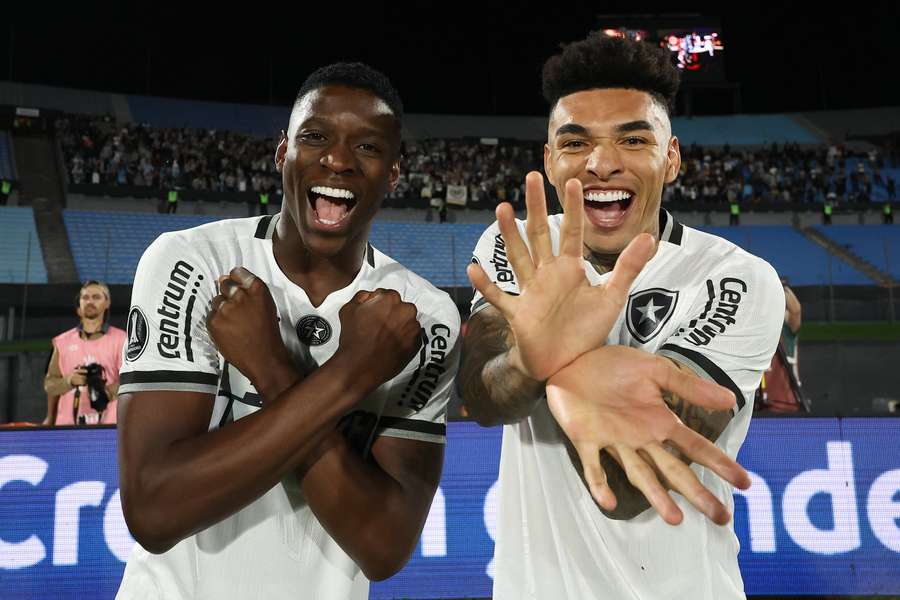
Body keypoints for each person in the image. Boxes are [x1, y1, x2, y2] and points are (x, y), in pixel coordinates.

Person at [115, 63, 460, 600]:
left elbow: (384, 546)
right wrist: (350, 375)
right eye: (315, 136)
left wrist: (273, 368)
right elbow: (154, 510)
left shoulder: (424, 315)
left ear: (394, 174)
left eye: (367, 147)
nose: (339, 160)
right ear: (283, 152)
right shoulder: (193, 263)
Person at [460, 35, 784, 599]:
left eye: (633, 139)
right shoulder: (515, 245)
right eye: (576, 143)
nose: (602, 164)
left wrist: (550, 358)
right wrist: (530, 358)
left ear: (673, 157)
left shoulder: (735, 280)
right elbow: (484, 397)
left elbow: (628, 487)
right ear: (549, 160)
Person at [43, 280, 126, 426]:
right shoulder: (62, 342)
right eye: (85, 297)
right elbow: (49, 385)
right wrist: (69, 381)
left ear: (107, 303)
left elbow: (131, 380)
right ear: (79, 306)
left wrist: (106, 392)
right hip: (67, 428)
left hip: (109, 427)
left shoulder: (122, 340)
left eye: (96, 297)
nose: (90, 301)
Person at [756, 280, 806, 412]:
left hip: (786, 402)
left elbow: (796, 310)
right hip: (759, 404)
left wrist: (781, 289)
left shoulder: (786, 328)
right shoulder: (756, 325)